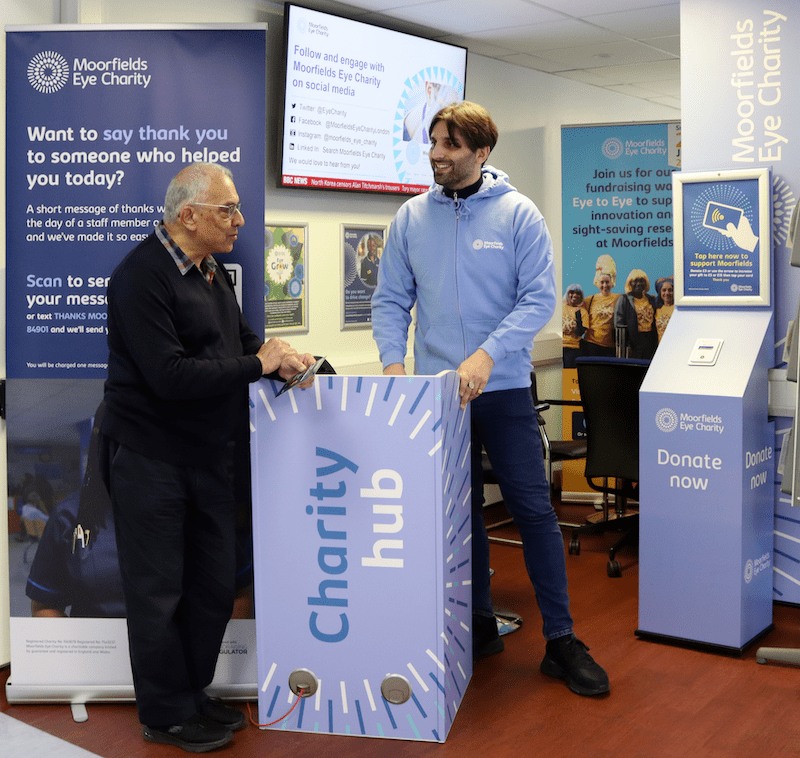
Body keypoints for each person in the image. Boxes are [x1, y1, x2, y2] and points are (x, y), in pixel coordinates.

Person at [371, 101, 609, 697]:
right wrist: (395, 367)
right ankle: (477, 624)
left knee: (532, 510)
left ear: (481, 152)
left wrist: (487, 354)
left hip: (501, 390)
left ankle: (561, 641)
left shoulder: (518, 215)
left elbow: (538, 300)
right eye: (433, 142)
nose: (436, 154)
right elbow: (390, 300)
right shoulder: (410, 218)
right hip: (438, 398)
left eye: (450, 145)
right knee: (459, 513)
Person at [99, 162, 315, 752]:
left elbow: (239, 343)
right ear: (188, 215)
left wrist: (279, 359)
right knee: (158, 594)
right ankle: (165, 713)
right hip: (150, 458)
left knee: (214, 585)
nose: (239, 220)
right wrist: (256, 364)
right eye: (228, 210)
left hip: (208, 455)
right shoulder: (139, 277)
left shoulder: (209, 270)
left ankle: (192, 693)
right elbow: (169, 376)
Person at [614, 268, 658, 360]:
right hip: (633, 341)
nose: (639, 284)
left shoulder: (651, 299)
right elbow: (619, 324)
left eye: (641, 281)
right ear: (630, 283)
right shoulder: (624, 299)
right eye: (635, 281)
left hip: (650, 339)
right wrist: (626, 345)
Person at [582, 256, 621, 358]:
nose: (604, 285)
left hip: (610, 347)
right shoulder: (589, 300)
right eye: (602, 282)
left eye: (607, 282)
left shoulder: (618, 298)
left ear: (612, 283)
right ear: (597, 282)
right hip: (591, 344)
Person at [561, 283, 588, 368]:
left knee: (569, 374)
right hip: (558, 346)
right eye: (572, 292)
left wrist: (578, 315)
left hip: (573, 348)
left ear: (581, 296)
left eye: (578, 293)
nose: (575, 295)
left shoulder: (583, 312)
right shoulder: (561, 308)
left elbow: (580, 332)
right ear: (567, 294)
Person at [654, 276, 675, 343]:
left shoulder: (678, 309)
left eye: (670, 290)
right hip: (660, 347)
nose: (667, 293)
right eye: (664, 290)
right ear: (660, 292)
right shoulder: (656, 309)